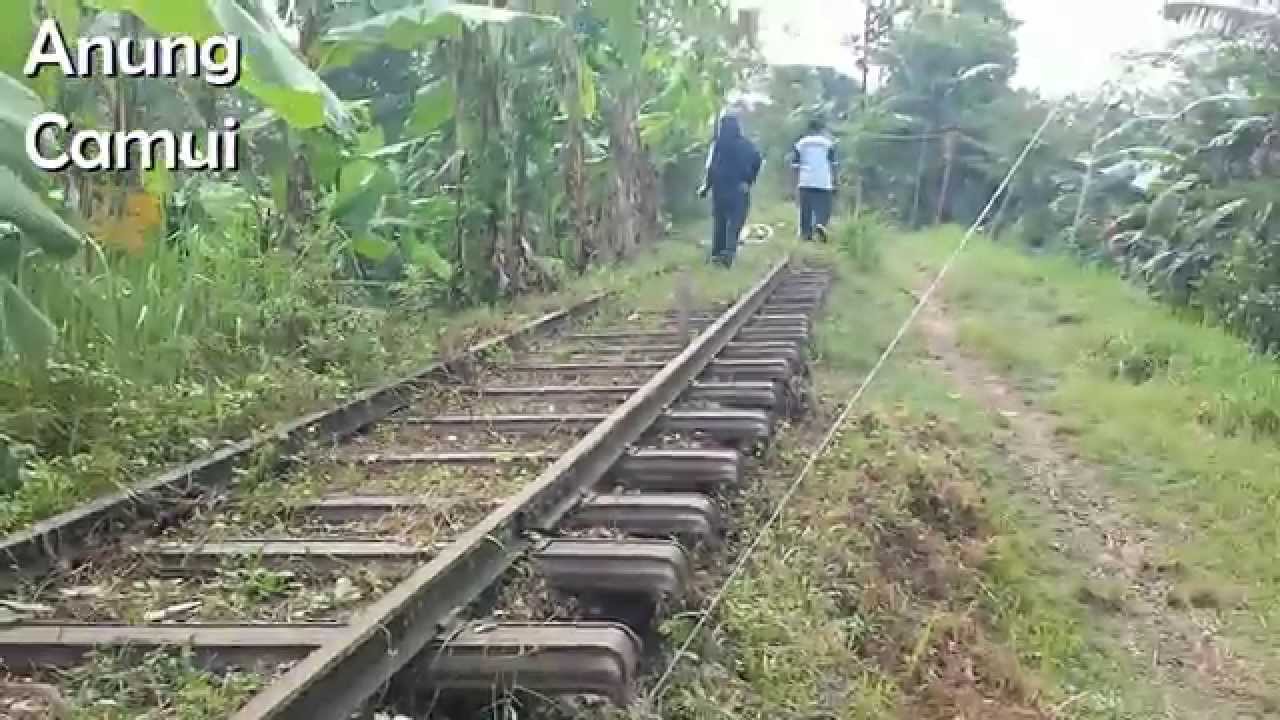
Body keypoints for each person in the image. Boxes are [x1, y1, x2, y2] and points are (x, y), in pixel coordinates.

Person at [698, 112, 762, 268]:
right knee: (734, 224)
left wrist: (706, 188)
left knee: (720, 222)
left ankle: (717, 254)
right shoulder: (747, 145)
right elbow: (757, 160)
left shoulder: (718, 145)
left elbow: (711, 168)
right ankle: (728, 254)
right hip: (739, 189)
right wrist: (749, 180)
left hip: (720, 189)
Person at [789, 118, 838, 242]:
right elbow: (833, 164)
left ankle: (806, 234)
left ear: (809, 129)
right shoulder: (828, 143)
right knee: (824, 207)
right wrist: (835, 181)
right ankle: (820, 224)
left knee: (806, 209)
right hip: (824, 181)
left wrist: (795, 183)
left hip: (806, 180)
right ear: (822, 129)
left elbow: (795, 165)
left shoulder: (800, 143)